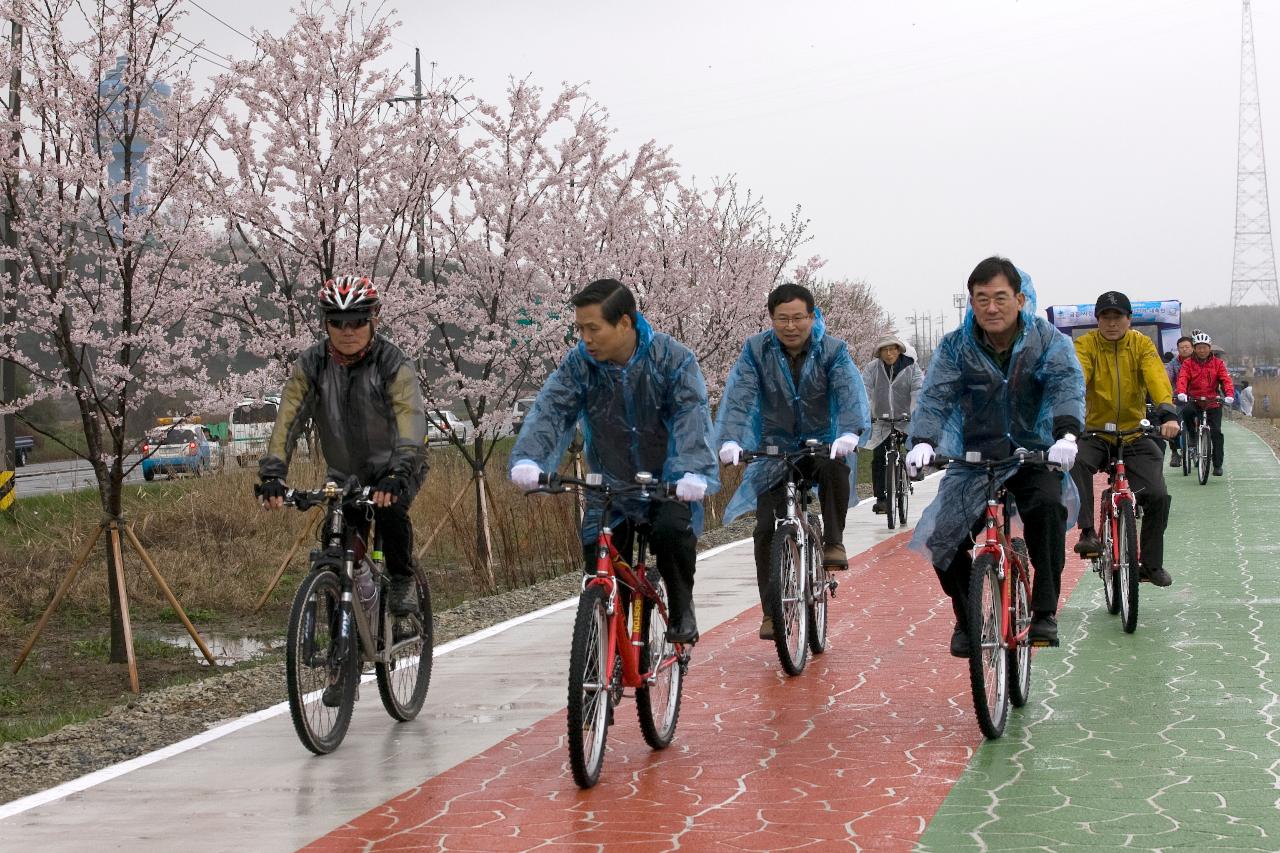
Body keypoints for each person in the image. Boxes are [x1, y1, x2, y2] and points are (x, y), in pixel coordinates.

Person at [509, 278, 718, 644]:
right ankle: (609, 644)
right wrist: (530, 459)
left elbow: (691, 415)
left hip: (667, 483)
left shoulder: (673, 359)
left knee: (672, 535)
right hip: (610, 485)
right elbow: (552, 410)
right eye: (580, 329)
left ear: (625, 322)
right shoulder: (580, 364)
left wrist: (690, 470)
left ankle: (682, 606)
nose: (585, 338)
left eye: (594, 328)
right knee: (600, 561)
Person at [906, 257, 1084, 654]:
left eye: (1000, 297)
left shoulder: (1047, 340)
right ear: (971, 302)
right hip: (975, 458)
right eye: (981, 299)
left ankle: (1043, 611)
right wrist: (923, 440)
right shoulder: (956, 346)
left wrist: (1066, 434)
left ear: (1020, 298)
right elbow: (936, 396)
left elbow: (1065, 385)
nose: (991, 307)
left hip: (1034, 455)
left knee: (1047, 511)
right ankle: (968, 615)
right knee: (942, 537)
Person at [258, 274, 429, 622]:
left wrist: (399, 471)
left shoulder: (393, 363)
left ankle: (401, 579)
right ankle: (343, 643)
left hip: (396, 466)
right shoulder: (312, 364)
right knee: (336, 539)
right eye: (337, 322)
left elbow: (409, 421)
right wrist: (273, 473)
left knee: (390, 513)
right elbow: (287, 420)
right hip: (344, 474)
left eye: (357, 321)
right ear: (326, 324)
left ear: (374, 319)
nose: (347, 330)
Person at [714, 283, 870, 641]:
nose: (790, 325)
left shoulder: (833, 351)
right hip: (774, 447)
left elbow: (849, 392)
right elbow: (739, 396)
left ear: (812, 317)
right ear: (771, 320)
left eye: (798, 317)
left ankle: (833, 541)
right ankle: (772, 612)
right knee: (765, 529)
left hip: (821, 442)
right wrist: (730, 438)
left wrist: (849, 432)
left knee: (834, 468)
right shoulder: (756, 351)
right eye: (782, 318)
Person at [1069, 291, 1179, 587]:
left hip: (1133, 432)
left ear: (1129, 319)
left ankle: (1151, 564)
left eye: (1118, 317)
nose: (1112, 323)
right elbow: (1078, 376)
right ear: (1098, 320)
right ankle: (1089, 532)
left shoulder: (1141, 344)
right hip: (1095, 432)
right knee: (1075, 461)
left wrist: (1168, 412)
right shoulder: (1086, 345)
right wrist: (1067, 414)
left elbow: (1156, 377)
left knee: (1157, 494)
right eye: (1106, 317)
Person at [861, 333, 923, 514]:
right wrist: (865, 413)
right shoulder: (872, 369)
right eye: (884, 350)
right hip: (882, 420)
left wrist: (915, 412)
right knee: (879, 457)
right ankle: (881, 499)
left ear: (899, 350)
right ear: (879, 353)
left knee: (915, 442)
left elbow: (918, 390)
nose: (889, 354)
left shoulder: (912, 368)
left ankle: (914, 468)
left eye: (892, 349)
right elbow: (864, 390)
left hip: (905, 418)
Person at [1175, 331, 1234, 476]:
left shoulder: (1218, 363)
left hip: (1212, 401)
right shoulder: (1188, 363)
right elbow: (1183, 378)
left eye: (1205, 347)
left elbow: (1226, 380)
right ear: (1194, 348)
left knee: (1217, 434)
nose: (1202, 350)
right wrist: (1181, 392)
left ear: (1210, 348)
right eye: (1199, 347)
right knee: (1187, 412)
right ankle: (1193, 437)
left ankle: (1217, 464)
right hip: (1194, 399)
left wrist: (1229, 395)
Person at [1167, 335, 1194, 467]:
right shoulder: (1173, 363)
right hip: (1179, 398)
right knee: (1172, 421)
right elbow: (1167, 380)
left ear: (1192, 347)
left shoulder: (1199, 361)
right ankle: (1174, 452)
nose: (1184, 349)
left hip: (1196, 397)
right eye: (1181, 347)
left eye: (1187, 347)